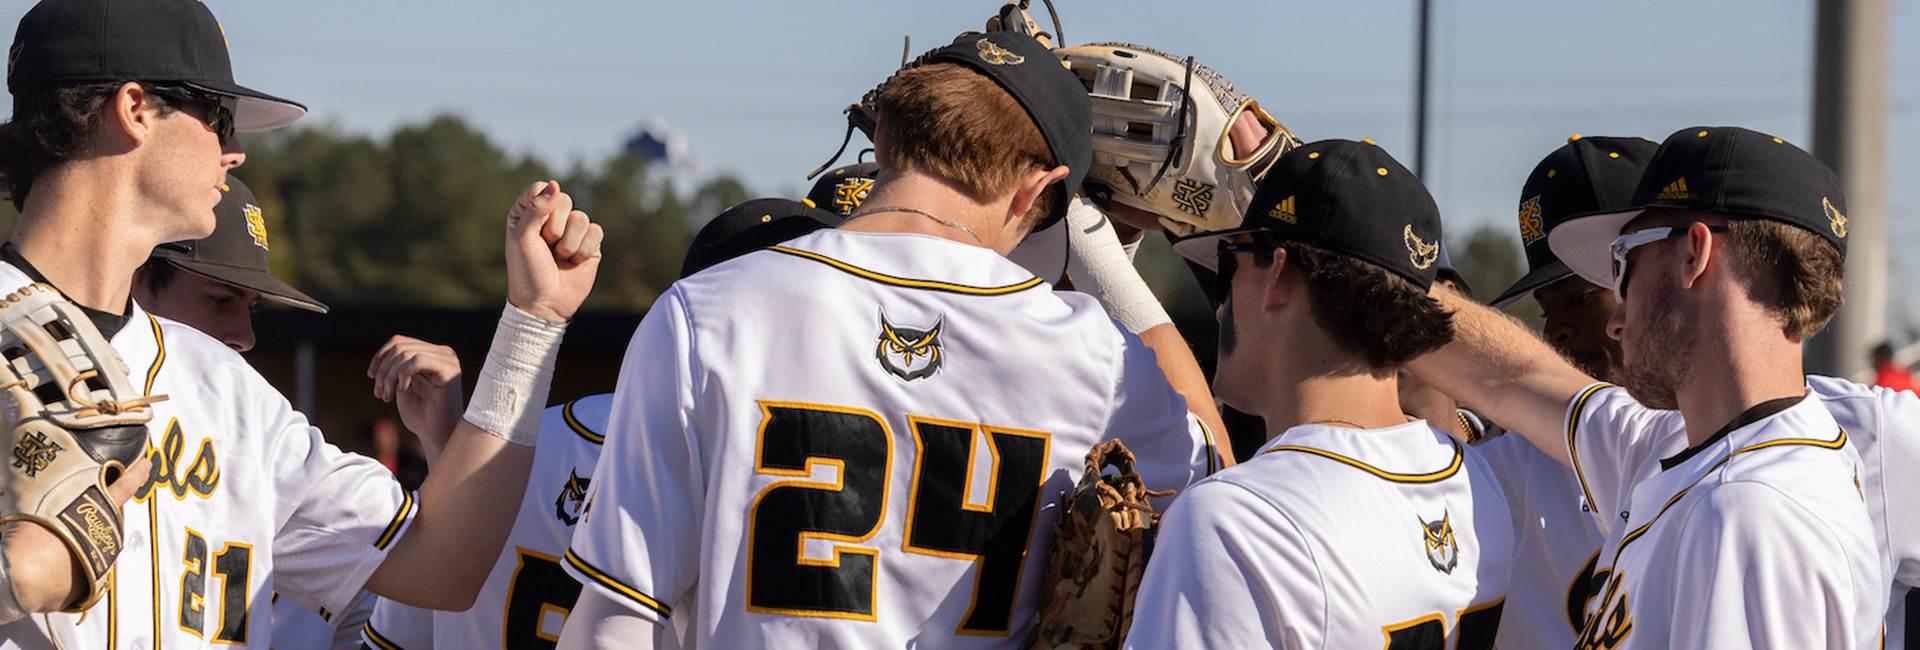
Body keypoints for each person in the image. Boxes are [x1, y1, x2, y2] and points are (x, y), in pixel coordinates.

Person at [558, 32, 1221, 649]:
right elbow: (1224, 499)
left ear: (880, 139)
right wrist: (1103, 257)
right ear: (1040, 192)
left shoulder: (708, 310)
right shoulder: (1099, 358)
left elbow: (618, 618)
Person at [0, 0, 602, 646]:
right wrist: (11, 577)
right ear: (136, 109)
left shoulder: (227, 393)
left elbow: (443, 565)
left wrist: (533, 322)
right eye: (219, 117)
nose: (235, 153)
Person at [1408, 126, 1891, 648]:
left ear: (1695, 255)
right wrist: (1351, 258)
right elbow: (1515, 376)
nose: (1617, 319)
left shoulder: (1751, 509)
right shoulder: (1688, 448)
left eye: (1625, 267)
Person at [1127, 139, 1512, 648]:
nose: (1220, 308)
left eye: (1227, 270)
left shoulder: (1234, 522)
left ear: (1279, 276)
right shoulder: (1474, 476)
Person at [1469, 135, 1654, 648]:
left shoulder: (1815, 433)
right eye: (1548, 311)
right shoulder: (1510, 467)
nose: (1557, 332)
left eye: (1580, 297)